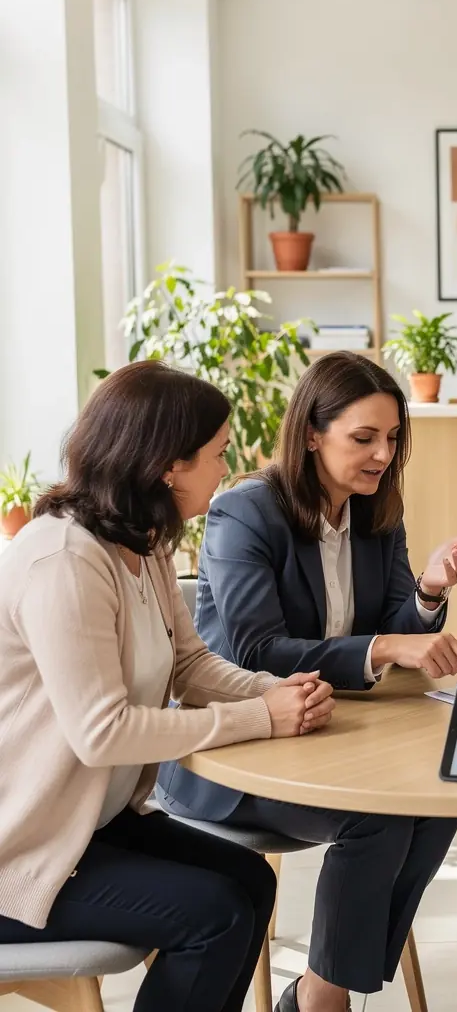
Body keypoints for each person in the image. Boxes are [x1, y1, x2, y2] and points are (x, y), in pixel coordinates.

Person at [157, 351, 457, 1012]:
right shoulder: (244, 513)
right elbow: (260, 649)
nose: (381, 455)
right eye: (363, 438)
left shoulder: (376, 515)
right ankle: (325, 998)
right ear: (311, 432)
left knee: (440, 796)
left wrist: (429, 590)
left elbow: (392, 630)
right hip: (236, 752)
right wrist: (391, 644)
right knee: (379, 818)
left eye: (392, 439)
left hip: (326, 726)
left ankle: (319, 985)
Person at [0, 363, 334, 1012]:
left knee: (247, 881)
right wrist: (260, 718)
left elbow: (190, 665)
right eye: (218, 454)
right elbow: (103, 734)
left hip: (89, 826)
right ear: (166, 466)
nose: (228, 468)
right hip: (21, 849)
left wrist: (277, 692)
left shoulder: (142, 545)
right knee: (215, 915)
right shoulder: (64, 561)